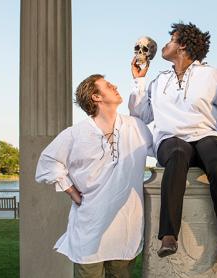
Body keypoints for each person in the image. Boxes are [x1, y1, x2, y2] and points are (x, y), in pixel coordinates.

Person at [129, 22, 217, 272]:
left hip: (206, 134)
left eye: (170, 40)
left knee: (216, 159)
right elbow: (140, 114)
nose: (165, 45)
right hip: (171, 140)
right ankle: (168, 235)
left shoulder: (211, 75)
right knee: (177, 154)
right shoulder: (159, 81)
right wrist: (139, 81)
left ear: (183, 46)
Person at [35, 74, 153, 278]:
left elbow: (162, 152)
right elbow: (47, 162)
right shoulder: (76, 133)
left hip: (125, 230)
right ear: (96, 97)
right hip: (89, 230)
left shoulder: (136, 127)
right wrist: (70, 190)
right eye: (107, 85)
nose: (115, 85)